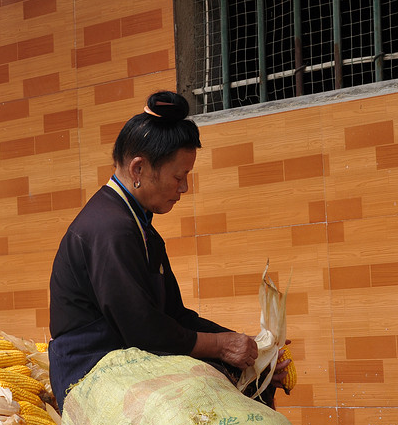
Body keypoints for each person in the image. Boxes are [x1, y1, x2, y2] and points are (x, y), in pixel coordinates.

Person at [48, 90, 289, 408]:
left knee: (248, 378)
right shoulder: (110, 229)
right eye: (179, 176)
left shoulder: (136, 224)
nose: (184, 187)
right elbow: (143, 330)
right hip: (91, 373)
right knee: (208, 395)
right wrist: (219, 345)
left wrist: (253, 349)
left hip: (128, 360)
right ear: (138, 169)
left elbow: (175, 317)